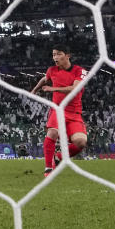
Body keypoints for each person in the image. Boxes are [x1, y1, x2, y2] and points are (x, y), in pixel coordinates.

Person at [29, 44, 88, 177]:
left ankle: (59, 157)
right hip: (58, 109)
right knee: (52, 132)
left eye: (58, 54)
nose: (55, 57)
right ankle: (48, 168)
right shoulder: (52, 70)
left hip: (74, 113)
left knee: (81, 142)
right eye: (54, 54)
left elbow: (75, 88)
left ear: (68, 56)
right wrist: (34, 90)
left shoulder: (80, 71)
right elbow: (45, 79)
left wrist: (52, 89)